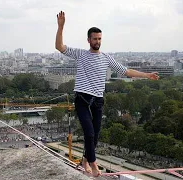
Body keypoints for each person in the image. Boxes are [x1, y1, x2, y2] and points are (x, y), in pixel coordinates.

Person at [55, 11, 159, 177]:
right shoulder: (81, 54)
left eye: (100, 39)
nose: (98, 42)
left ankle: (85, 161)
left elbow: (126, 71)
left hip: (98, 100)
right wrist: (60, 27)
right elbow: (60, 47)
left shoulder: (106, 58)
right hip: (82, 98)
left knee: (95, 136)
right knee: (88, 132)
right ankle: (93, 163)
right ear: (88, 40)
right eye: (95, 39)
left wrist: (147, 75)